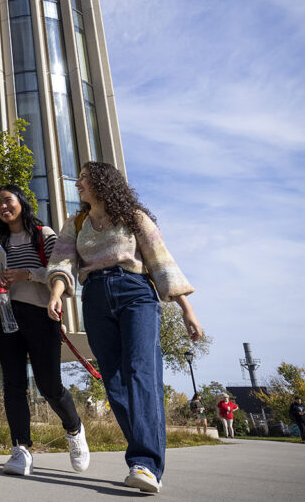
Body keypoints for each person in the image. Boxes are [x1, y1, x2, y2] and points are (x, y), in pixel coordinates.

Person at [46, 161, 202, 494]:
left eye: (85, 179)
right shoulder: (76, 223)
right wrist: (57, 293)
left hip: (136, 293)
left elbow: (162, 261)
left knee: (140, 372)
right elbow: (62, 261)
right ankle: (147, 456)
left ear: (103, 183)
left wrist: (188, 311)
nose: (79, 185)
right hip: (96, 297)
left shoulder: (134, 218)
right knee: (114, 381)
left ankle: (145, 463)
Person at [0, 184, 89, 476]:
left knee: (49, 385)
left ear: (21, 202)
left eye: (8, 200)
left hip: (42, 316)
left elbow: (62, 272)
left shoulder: (44, 235)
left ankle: (74, 429)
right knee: (13, 385)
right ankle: (21, 449)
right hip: (7, 316)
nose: (3, 207)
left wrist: (27, 274)